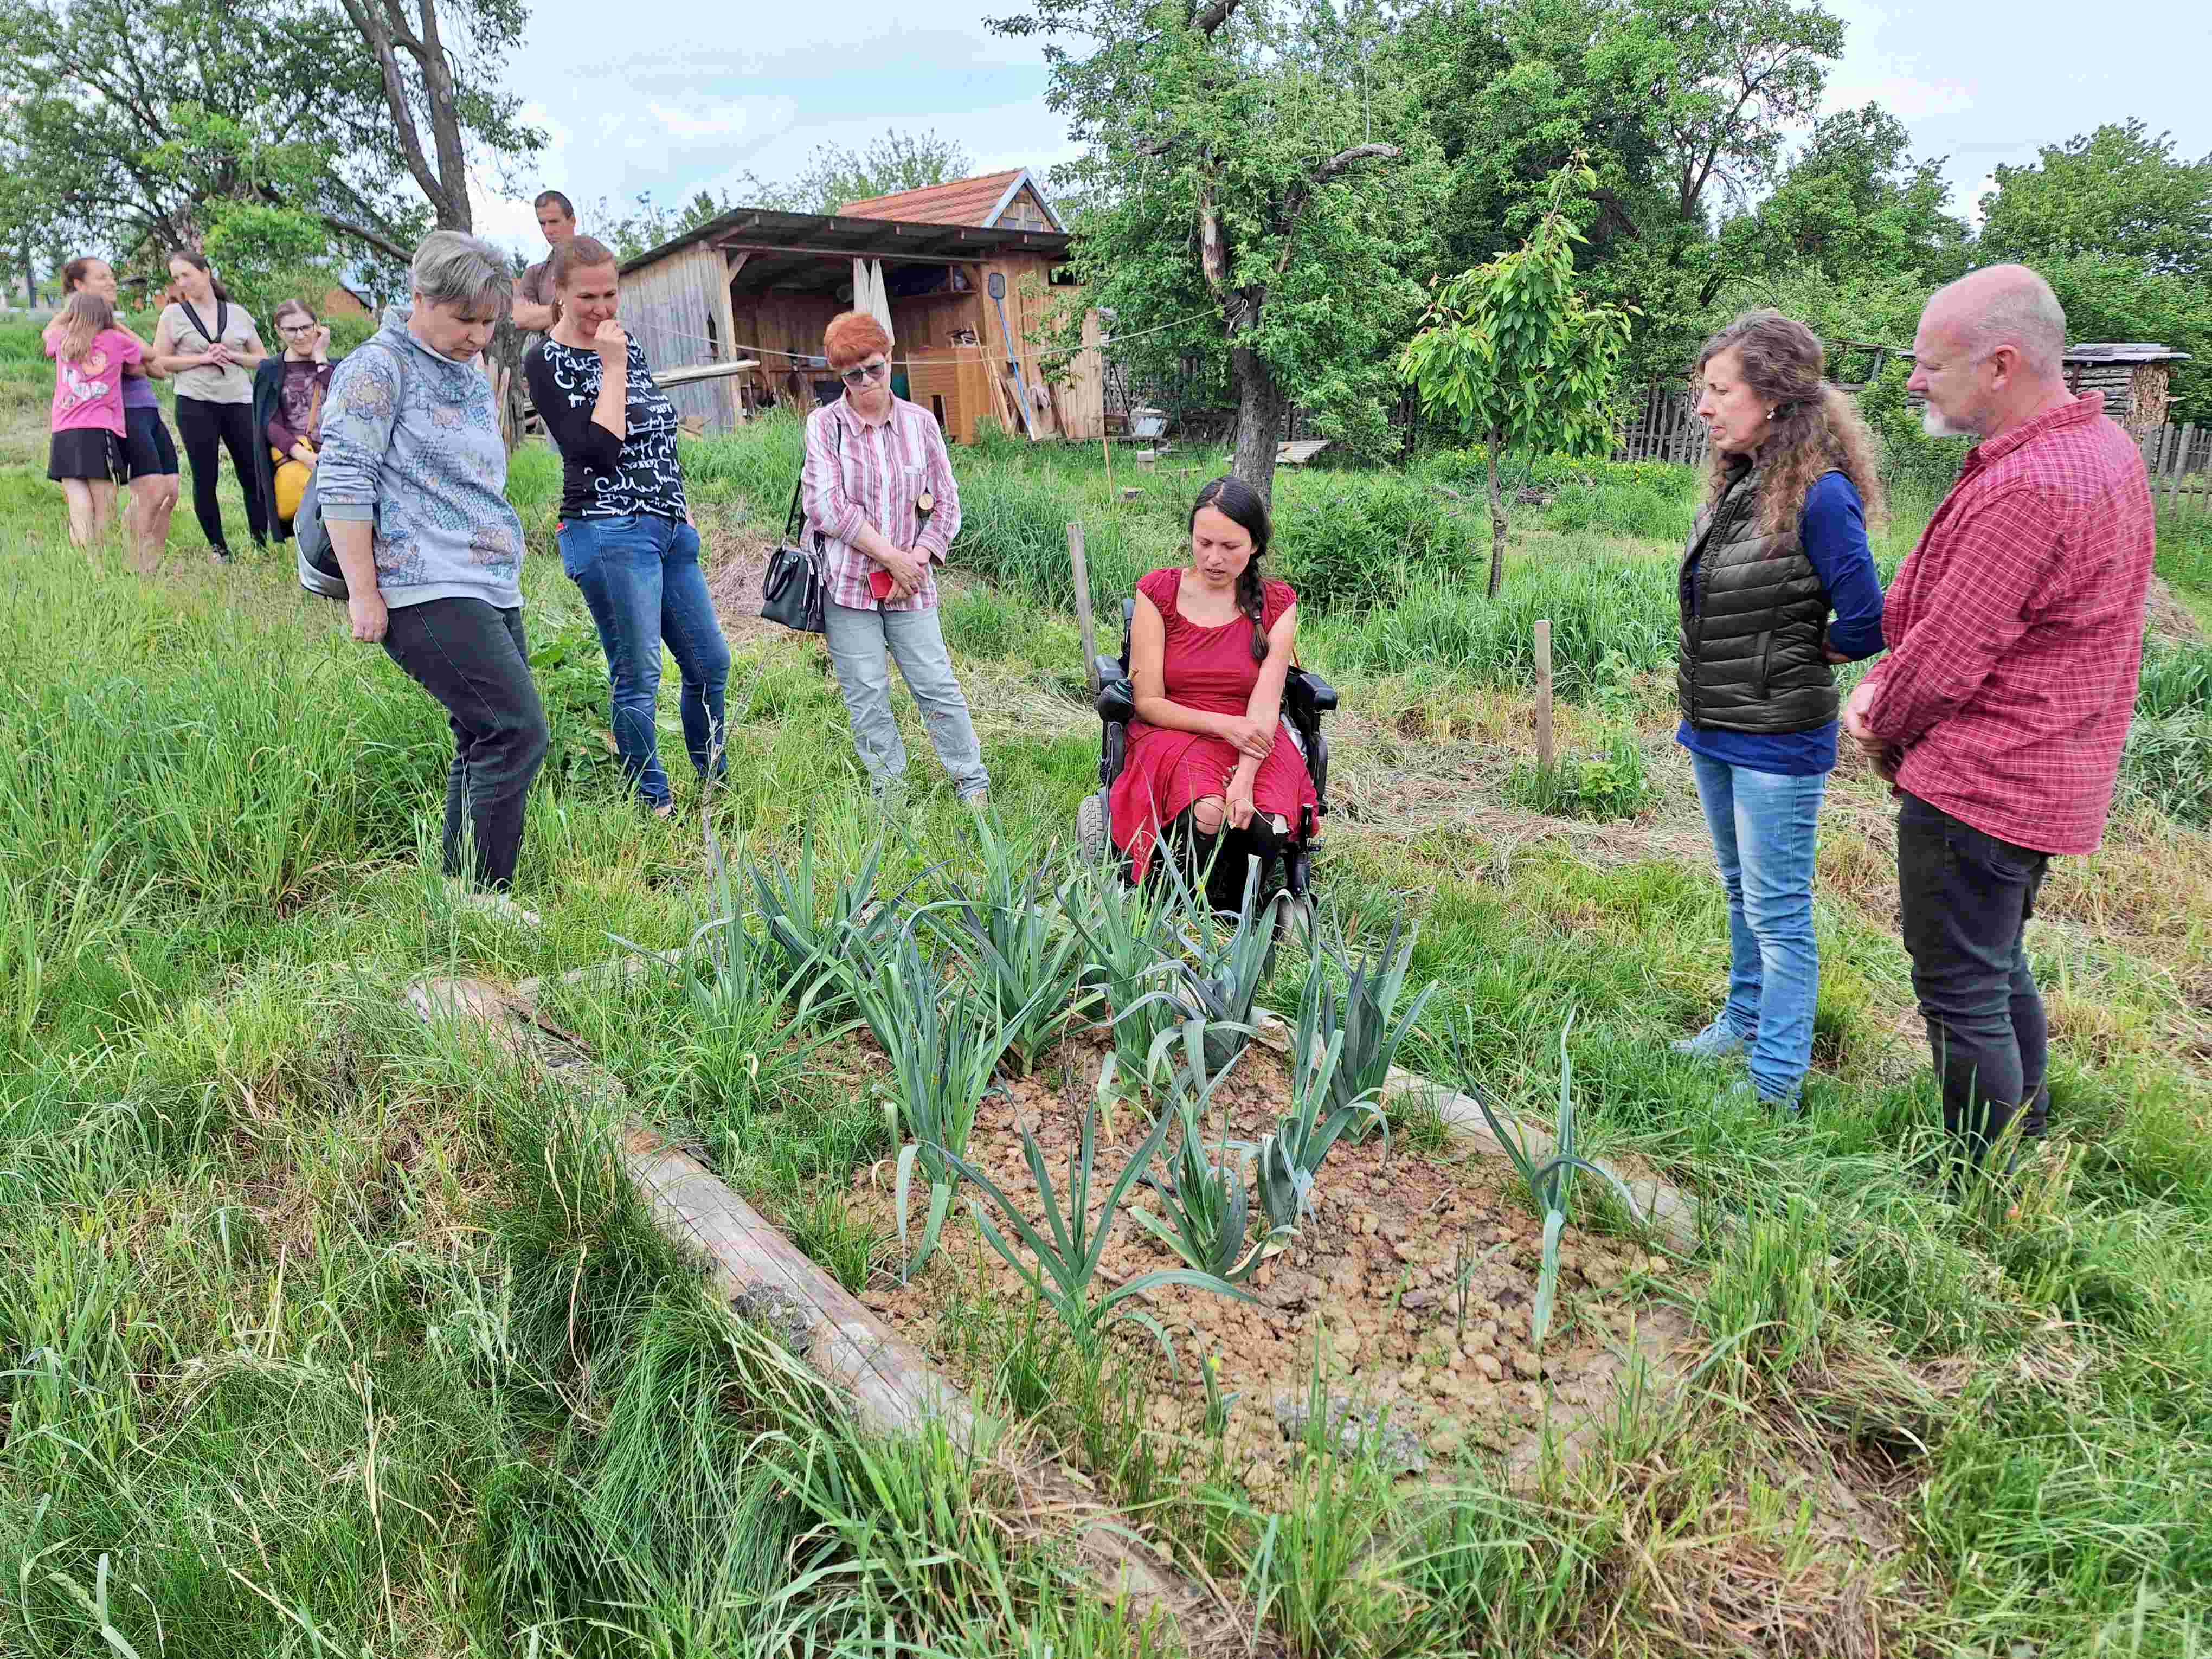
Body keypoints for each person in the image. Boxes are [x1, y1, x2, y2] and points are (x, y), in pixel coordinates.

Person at [1843, 264, 2156, 1170]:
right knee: (1995, 961)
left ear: (2002, 365)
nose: (1912, 380)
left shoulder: (2032, 487)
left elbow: (1946, 658)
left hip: (1985, 779)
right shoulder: (2098, 453)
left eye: (1930, 365)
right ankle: (2027, 1130)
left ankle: (1976, 1179)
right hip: (2045, 769)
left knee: (1959, 985)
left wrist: (1877, 716)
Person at [1670, 310, 1889, 1113]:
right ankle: (1742, 1020)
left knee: (1779, 910)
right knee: (1739, 890)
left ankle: (1775, 1082)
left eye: (1720, 390)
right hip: (1715, 721)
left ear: (1775, 396)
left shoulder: (1821, 495)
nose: (1704, 406)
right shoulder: (1743, 478)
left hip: (1775, 736)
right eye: (1704, 391)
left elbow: (1867, 617)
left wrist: (1799, 655)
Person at [317, 231, 548, 901]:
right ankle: (486, 897)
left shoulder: (466, 369)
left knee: (481, 733)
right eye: (464, 320)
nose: (478, 335)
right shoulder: (378, 367)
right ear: (420, 297)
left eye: (488, 322)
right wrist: (365, 593)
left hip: (488, 578)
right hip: (422, 580)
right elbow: (345, 479)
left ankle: (461, 895)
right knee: (516, 730)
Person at [523, 236, 731, 816]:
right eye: (587, 296)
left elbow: (659, 428)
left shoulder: (626, 342)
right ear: (559, 294)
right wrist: (610, 365)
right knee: (638, 673)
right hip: (607, 529)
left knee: (709, 663)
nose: (602, 308)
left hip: (667, 527)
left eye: (611, 293)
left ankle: (713, 783)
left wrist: (679, 504)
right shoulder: (546, 361)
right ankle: (652, 803)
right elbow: (600, 451)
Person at [801, 310, 989, 806]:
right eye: (852, 374)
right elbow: (823, 504)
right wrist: (891, 557)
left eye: (874, 368)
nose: (866, 381)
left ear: (890, 359)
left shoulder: (920, 424)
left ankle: (971, 781)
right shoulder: (824, 426)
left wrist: (919, 558)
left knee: (935, 684)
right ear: (839, 375)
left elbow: (946, 502)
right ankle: (891, 791)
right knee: (867, 694)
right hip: (847, 585)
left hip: (912, 584)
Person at [1108, 475, 1319, 912]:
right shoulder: (1158, 592)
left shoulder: (1278, 604)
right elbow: (1148, 702)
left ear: (1256, 546)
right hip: (1173, 726)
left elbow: (1264, 705)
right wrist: (1225, 726)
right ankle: (1179, 900)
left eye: (1230, 547)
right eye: (1203, 543)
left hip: (1255, 733)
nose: (1214, 558)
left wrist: (1243, 778)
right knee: (1206, 808)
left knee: (1266, 818)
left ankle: (1246, 903)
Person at [60, 256, 178, 573]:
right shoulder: (80, 329)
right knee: (151, 490)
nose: (112, 282)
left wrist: (119, 328)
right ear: (80, 286)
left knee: (170, 491)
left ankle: (152, 563)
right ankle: (131, 564)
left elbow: (156, 368)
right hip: (121, 414)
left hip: (148, 408)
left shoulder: (113, 328)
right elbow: (148, 365)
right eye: (103, 277)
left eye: (112, 276)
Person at [151, 250, 269, 562]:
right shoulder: (173, 315)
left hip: (239, 400)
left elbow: (263, 359)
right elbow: (160, 362)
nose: (181, 283)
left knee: (252, 474)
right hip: (195, 402)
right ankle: (219, 548)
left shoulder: (238, 314)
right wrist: (202, 359)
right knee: (206, 477)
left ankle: (261, 544)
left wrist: (234, 356)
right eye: (176, 278)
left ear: (206, 273)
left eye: (186, 275)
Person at [42, 290, 140, 553]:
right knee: (105, 501)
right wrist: (116, 323)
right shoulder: (117, 340)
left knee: (78, 501)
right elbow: (144, 355)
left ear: (71, 315)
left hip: (63, 430)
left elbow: (47, 332)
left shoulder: (62, 339)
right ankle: (101, 562)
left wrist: (69, 312)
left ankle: (85, 562)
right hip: (100, 429)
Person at [251, 299, 334, 537]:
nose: (300, 336)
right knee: (307, 531)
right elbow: (268, 423)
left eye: (306, 327)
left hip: (335, 459)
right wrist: (306, 457)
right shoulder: (270, 370)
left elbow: (344, 404)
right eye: (291, 330)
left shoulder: (335, 366)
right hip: (297, 460)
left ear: (318, 327)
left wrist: (321, 357)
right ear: (278, 331)